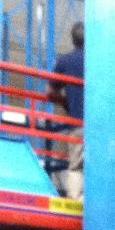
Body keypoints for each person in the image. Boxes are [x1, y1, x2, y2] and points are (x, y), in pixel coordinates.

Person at [47, 22, 85, 201]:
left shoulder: (65, 62)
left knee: (76, 167)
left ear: (73, 40)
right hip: (99, 126)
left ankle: (74, 203)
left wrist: (67, 103)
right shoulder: (99, 62)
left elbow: (50, 93)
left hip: (76, 125)